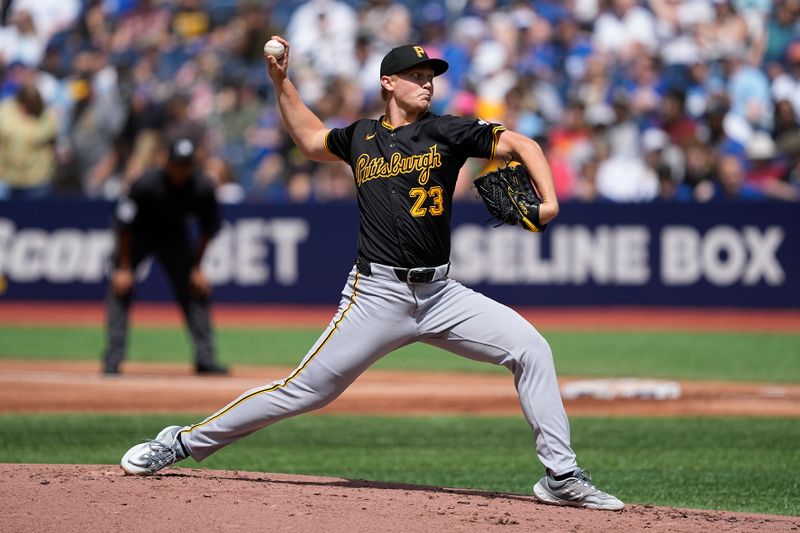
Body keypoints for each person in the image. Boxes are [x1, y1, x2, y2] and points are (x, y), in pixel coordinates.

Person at [120, 38, 624, 511]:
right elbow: (312, 139)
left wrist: (551, 199)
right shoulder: (361, 136)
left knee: (531, 347)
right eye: (416, 74)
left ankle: (561, 478)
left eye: (431, 75)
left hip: (442, 294)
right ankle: (179, 441)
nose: (427, 82)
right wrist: (281, 83)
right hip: (376, 294)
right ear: (388, 82)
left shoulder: (445, 131)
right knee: (304, 390)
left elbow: (522, 144)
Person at [101, 137, 227, 376]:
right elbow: (123, 225)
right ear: (167, 162)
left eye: (186, 165)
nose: (181, 170)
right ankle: (112, 359)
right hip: (137, 237)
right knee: (120, 288)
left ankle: (205, 359)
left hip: (175, 238)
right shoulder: (146, 183)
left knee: (194, 290)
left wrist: (198, 268)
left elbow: (208, 230)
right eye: (177, 164)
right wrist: (124, 267)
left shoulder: (201, 187)